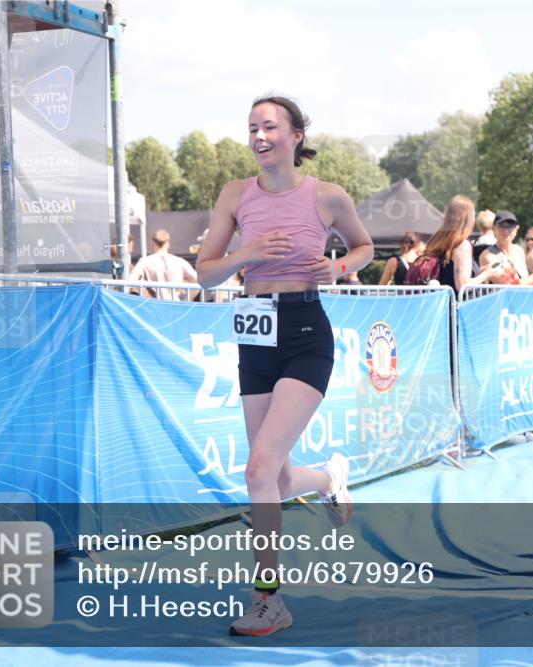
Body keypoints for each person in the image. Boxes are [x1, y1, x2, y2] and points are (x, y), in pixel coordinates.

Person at [195, 95, 374, 637]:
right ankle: (328, 477)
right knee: (272, 473)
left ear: (297, 136)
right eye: (252, 127)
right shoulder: (234, 195)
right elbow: (205, 274)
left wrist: (338, 265)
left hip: (304, 334)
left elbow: (364, 247)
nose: (259, 135)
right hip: (253, 333)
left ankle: (268, 598)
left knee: (257, 469)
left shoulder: (327, 196)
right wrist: (247, 255)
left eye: (270, 126)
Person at [415, 195, 499, 292]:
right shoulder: (462, 245)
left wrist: (480, 273)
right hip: (457, 305)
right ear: (467, 218)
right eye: (473, 215)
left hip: (441, 303)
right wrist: (487, 274)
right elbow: (463, 285)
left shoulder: (438, 240)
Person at [479, 210, 533, 286]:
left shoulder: (519, 250)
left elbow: (526, 282)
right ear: (494, 228)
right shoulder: (487, 255)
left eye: (510, 226)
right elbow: (509, 285)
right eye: (501, 226)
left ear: (516, 228)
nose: (506, 231)